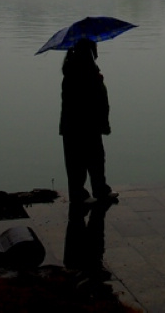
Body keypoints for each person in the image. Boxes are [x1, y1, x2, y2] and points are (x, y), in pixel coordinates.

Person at [59, 38, 117, 204]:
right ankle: (94, 191)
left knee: (78, 162)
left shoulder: (73, 70)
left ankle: (85, 193)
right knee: (92, 160)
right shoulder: (84, 73)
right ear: (89, 51)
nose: (97, 51)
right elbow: (92, 101)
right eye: (95, 47)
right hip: (85, 125)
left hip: (73, 126)